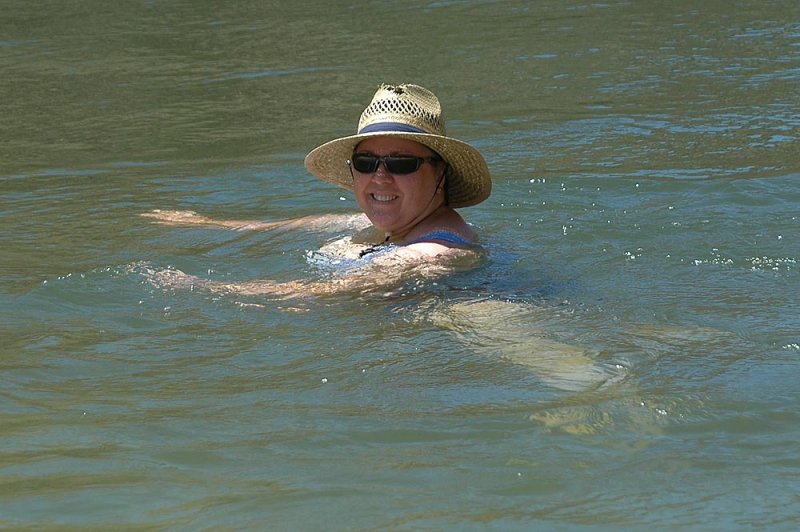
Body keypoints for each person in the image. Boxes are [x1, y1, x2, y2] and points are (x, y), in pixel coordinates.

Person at [143, 83, 492, 298]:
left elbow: (316, 295)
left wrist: (200, 287)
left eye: (401, 163)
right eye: (366, 163)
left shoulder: (430, 252)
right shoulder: (406, 224)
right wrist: (211, 225)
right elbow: (319, 222)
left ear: (440, 172)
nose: (381, 177)